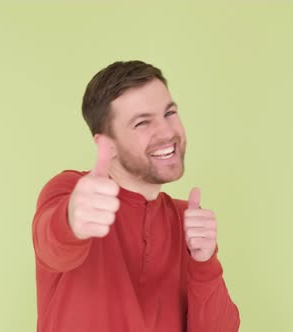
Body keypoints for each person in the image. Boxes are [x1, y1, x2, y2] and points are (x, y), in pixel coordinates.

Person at [32, 60, 240, 331]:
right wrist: (71, 220)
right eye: (142, 123)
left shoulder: (184, 219)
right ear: (108, 144)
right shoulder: (71, 192)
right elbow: (52, 244)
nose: (167, 132)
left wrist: (205, 262)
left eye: (169, 113)